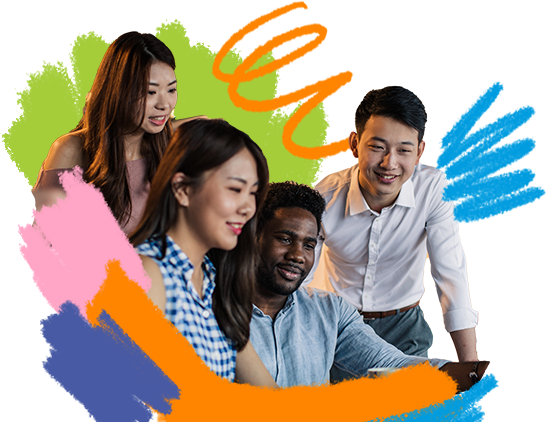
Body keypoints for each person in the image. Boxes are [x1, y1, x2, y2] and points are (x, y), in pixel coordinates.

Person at [250, 181, 489, 390]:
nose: (297, 255)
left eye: (309, 245)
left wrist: (477, 371)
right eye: (284, 239)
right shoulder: (215, 312)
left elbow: (393, 364)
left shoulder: (330, 312)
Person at [308, 86, 477, 362]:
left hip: (404, 327)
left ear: (420, 152)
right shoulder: (323, 197)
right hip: (337, 323)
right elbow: (295, 277)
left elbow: (451, 277)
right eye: (377, 147)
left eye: (404, 150)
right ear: (354, 145)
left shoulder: (433, 190)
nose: (390, 163)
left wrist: (471, 370)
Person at [130, 118, 277, 387]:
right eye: (235, 189)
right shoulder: (147, 273)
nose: (248, 208)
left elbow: (270, 397)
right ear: (183, 189)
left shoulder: (212, 281)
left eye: (253, 193)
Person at [34, 31, 201, 234]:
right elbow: (41, 241)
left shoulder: (164, 145)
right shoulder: (71, 150)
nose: (165, 105)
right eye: (151, 92)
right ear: (119, 91)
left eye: (171, 90)